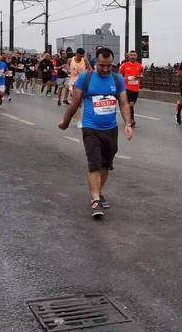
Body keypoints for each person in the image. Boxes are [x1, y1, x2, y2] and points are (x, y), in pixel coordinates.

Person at [57, 47, 133, 219]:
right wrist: (66, 122)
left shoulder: (117, 79)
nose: (105, 69)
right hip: (91, 128)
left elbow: (124, 104)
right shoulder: (86, 78)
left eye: (109, 66)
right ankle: (96, 200)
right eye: (101, 66)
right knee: (94, 164)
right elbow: (75, 103)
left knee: (105, 165)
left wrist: (127, 124)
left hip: (111, 129)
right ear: (95, 63)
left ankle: (98, 192)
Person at [118, 50, 144, 128]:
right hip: (127, 88)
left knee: (131, 105)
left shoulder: (140, 66)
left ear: (136, 57)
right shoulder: (124, 65)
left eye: (134, 55)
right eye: (131, 55)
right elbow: (120, 73)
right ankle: (131, 120)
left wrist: (138, 76)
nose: (133, 56)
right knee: (130, 104)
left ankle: (128, 119)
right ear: (128, 56)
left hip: (136, 88)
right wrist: (122, 78)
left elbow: (142, 75)